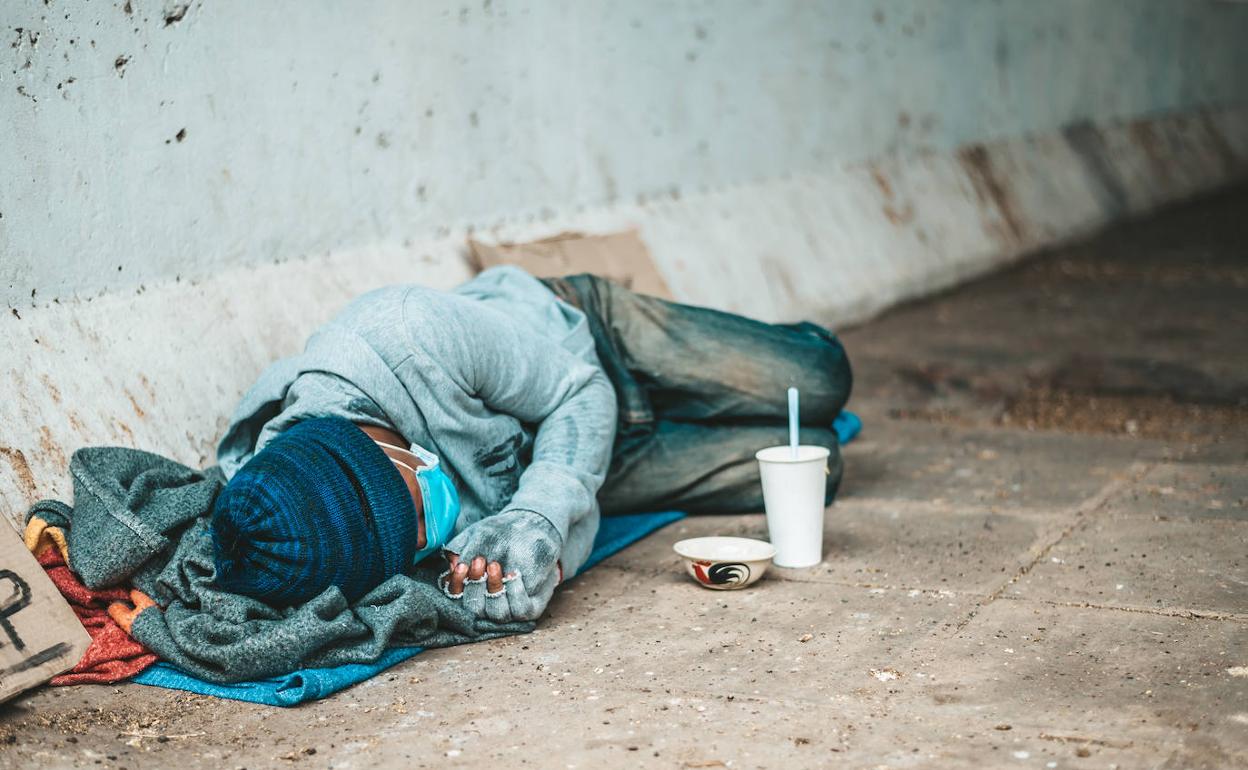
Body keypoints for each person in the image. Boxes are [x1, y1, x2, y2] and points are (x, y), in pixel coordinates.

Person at [210, 266, 852, 621]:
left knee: (820, 383)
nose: (429, 529)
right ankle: (697, 402)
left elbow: (582, 395)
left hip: (586, 346)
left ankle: (698, 375)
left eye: (415, 507)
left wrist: (538, 511)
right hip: (578, 459)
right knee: (819, 464)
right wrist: (542, 564)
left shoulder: (408, 330)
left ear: (381, 444)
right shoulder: (318, 534)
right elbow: (574, 505)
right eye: (413, 542)